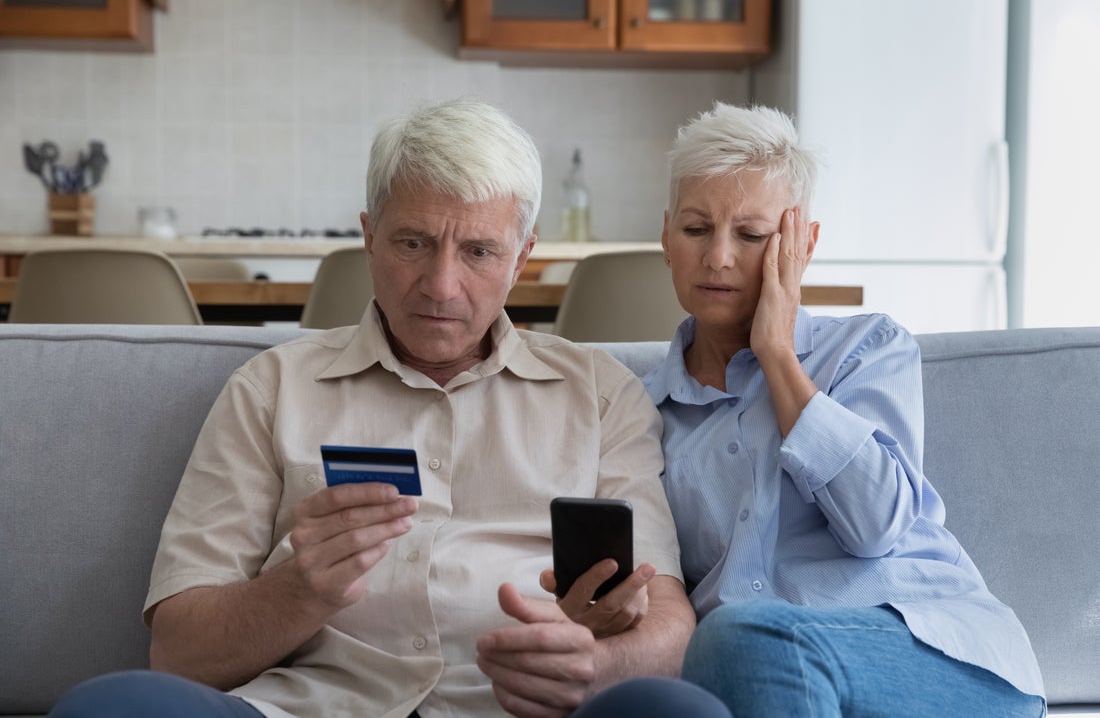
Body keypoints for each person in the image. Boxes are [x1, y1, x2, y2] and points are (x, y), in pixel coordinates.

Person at [47, 98, 727, 718]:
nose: (441, 284)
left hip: (526, 712)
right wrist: (300, 591)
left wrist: (598, 666)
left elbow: (668, 622)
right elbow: (178, 651)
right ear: (368, 236)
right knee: (111, 706)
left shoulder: (603, 395)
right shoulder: (271, 387)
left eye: (479, 250)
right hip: (311, 708)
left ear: (523, 256)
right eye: (412, 243)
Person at [598, 102, 1047, 716]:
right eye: (696, 229)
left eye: (751, 235)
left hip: (932, 652)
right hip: (760, 677)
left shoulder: (868, 349)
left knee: (744, 636)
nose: (719, 256)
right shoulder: (637, 414)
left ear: (802, 244)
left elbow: (877, 526)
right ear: (666, 239)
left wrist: (778, 355)